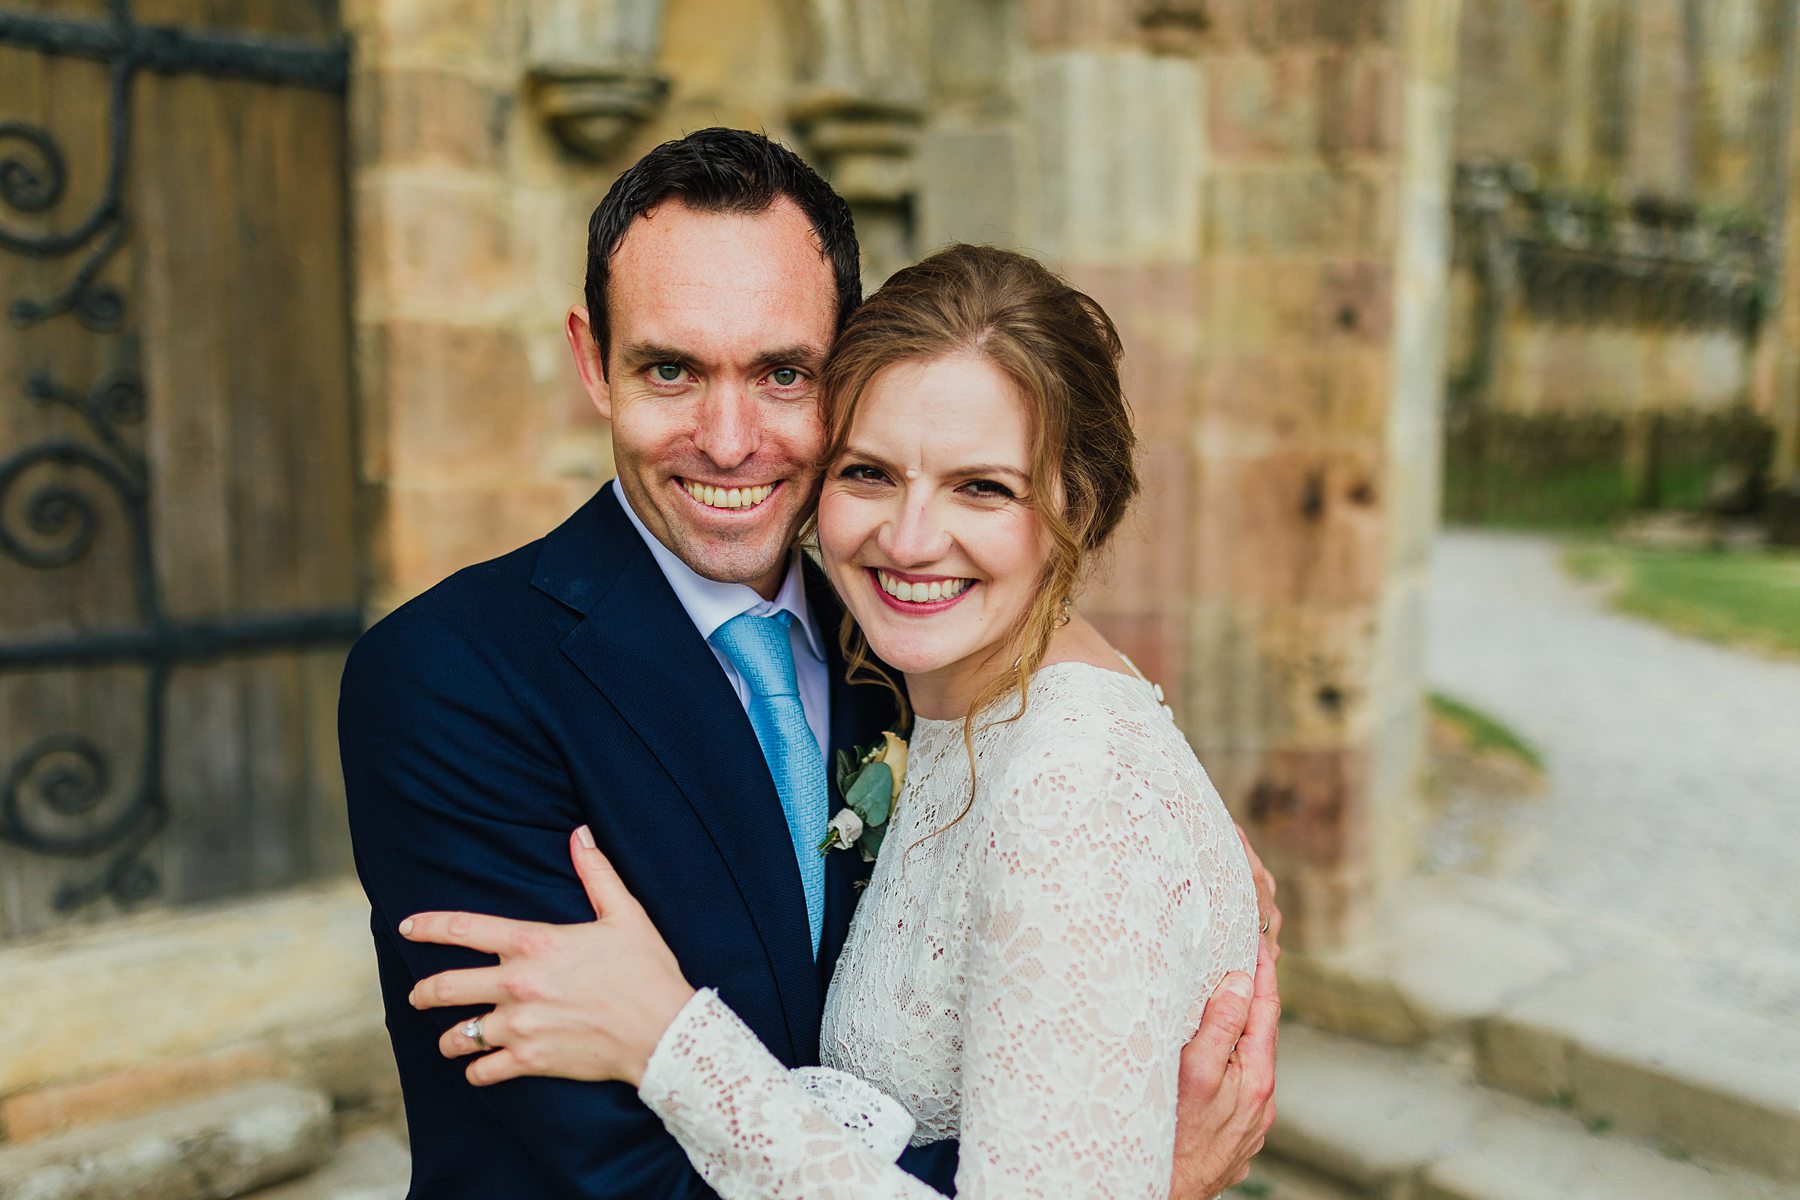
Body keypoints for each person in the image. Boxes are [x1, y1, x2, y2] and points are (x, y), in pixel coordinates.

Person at [343, 130, 1278, 1199]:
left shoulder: (913, 642)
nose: (728, 439)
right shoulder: (448, 679)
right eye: (670, 370)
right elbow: (616, 1177)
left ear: (848, 371)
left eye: (783, 373)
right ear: (594, 362)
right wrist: (1140, 1175)